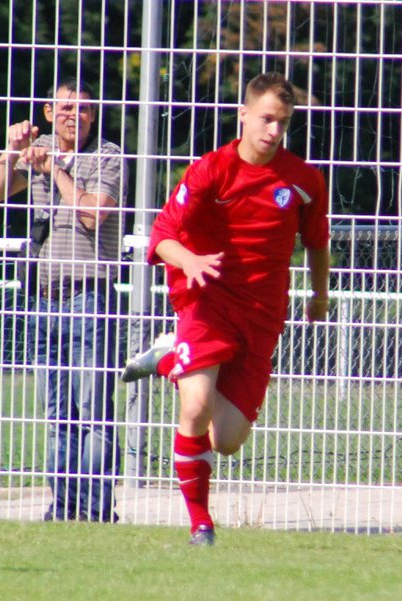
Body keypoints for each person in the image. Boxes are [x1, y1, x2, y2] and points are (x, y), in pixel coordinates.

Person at [128, 72, 330, 546]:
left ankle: (168, 358)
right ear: (243, 115)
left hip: (262, 315)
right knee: (194, 408)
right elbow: (162, 238)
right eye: (265, 119)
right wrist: (191, 260)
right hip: (208, 301)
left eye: (282, 122)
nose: (274, 131)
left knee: (228, 440)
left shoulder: (302, 181)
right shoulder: (210, 171)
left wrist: (319, 295)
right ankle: (202, 524)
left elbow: (317, 244)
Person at [0, 76, 128, 523]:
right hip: (43, 301)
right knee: (58, 414)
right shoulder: (38, 147)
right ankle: (63, 508)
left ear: (93, 115)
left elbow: (92, 213)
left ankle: (97, 509)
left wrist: (56, 171)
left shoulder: (107, 156)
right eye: (65, 108)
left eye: (83, 109)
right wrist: (13, 150)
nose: (74, 116)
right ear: (48, 112)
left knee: (93, 412)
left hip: (90, 298)